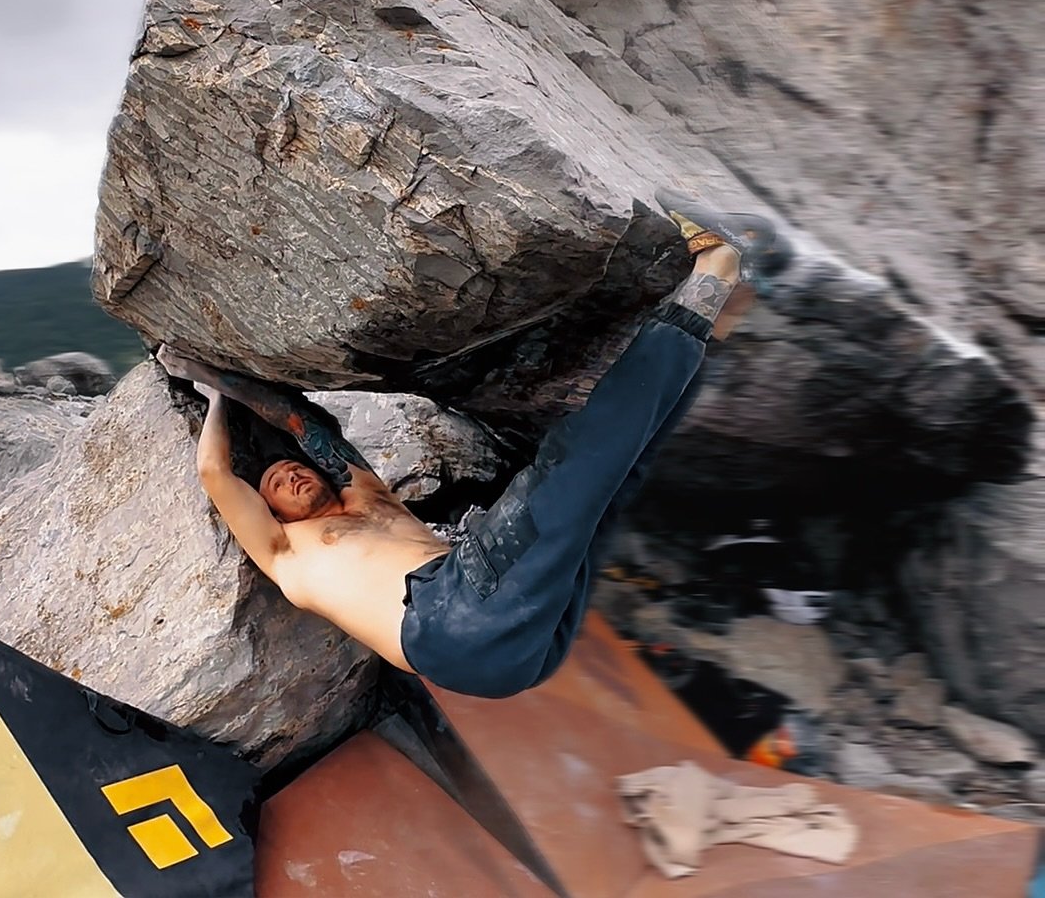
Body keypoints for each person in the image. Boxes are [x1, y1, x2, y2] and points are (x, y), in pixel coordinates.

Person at [158, 190, 790, 699]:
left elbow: (306, 428)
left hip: (510, 635)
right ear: (270, 515)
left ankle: (723, 311)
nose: (291, 478)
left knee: (614, 482)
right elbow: (218, 476)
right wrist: (211, 391)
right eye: (276, 488)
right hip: (449, 625)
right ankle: (714, 266)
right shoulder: (287, 556)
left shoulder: (372, 500)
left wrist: (243, 385)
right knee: (576, 460)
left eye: (293, 472)